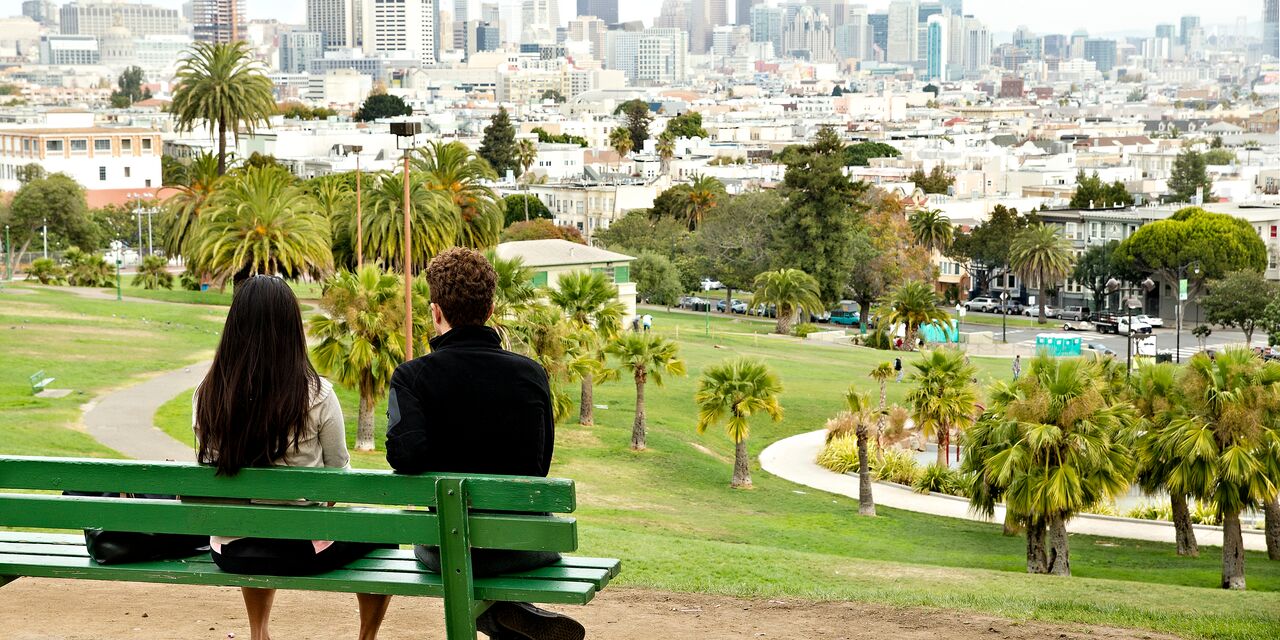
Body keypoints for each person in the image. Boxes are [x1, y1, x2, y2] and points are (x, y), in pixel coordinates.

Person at [385, 248, 584, 640]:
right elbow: (539, 464)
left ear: (436, 312)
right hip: (523, 547)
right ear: (490, 310)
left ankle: (498, 616)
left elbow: (404, 456)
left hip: (446, 548)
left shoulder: (412, 378)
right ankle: (506, 615)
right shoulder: (531, 374)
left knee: (443, 552)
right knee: (479, 558)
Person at [193, 276, 391, 640]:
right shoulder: (317, 393)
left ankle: (259, 632)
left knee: (250, 524)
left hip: (231, 549)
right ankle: (366, 637)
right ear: (292, 329)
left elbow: (209, 469)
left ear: (234, 326)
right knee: (382, 530)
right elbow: (339, 480)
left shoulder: (207, 395)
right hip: (301, 550)